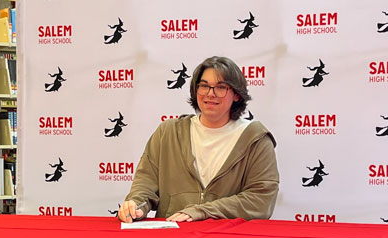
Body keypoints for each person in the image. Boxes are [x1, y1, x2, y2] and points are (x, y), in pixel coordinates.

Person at [118, 56, 279, 223]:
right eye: (204, 86)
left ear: (237, 95)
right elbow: (145, 183)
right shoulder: (167, 132)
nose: (210, 93)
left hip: (227, 237)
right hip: (173, 235)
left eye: (221, 87)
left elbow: (261, 200)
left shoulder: (256, 139)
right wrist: (136, 204)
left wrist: (203, 211)